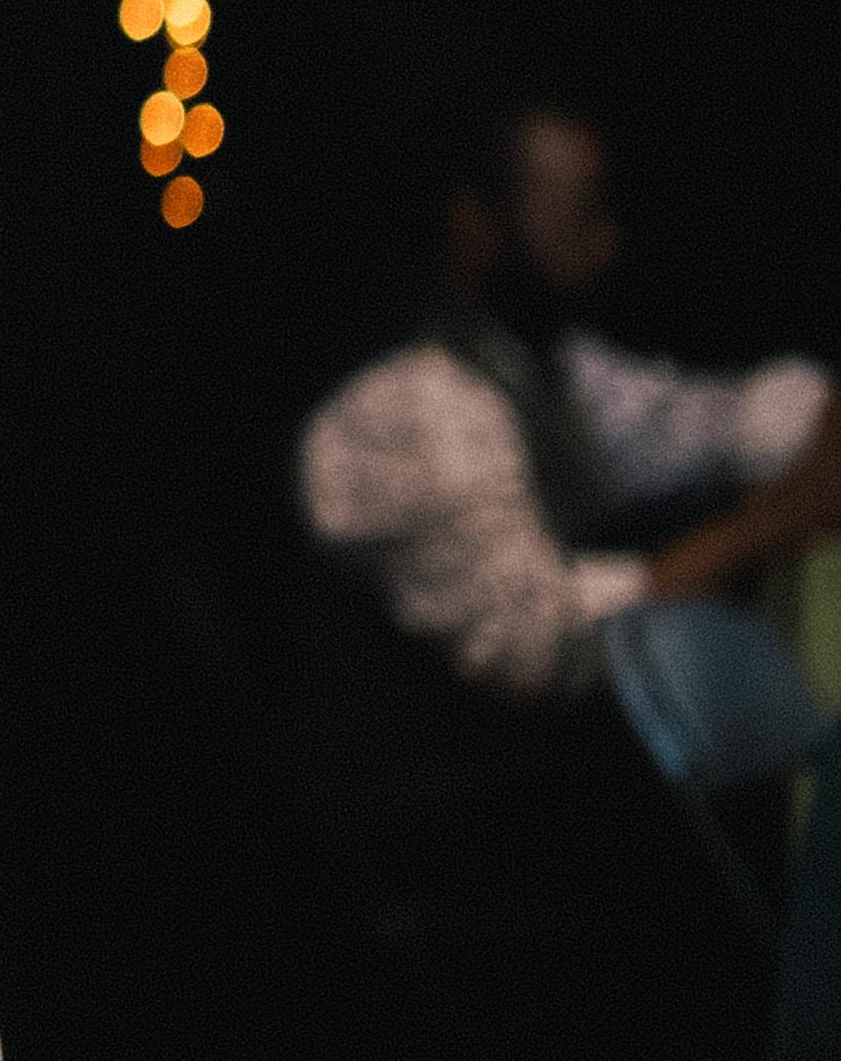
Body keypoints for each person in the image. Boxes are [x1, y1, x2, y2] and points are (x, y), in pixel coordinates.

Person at [302, 98, 834, 718]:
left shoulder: (544, 361)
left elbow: (699, 423)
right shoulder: (410, 405)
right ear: (477, 226)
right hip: (466, 762)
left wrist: (817, 419)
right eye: (581, 216)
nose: (608, 244)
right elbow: (536, 642)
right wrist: (764, 526)